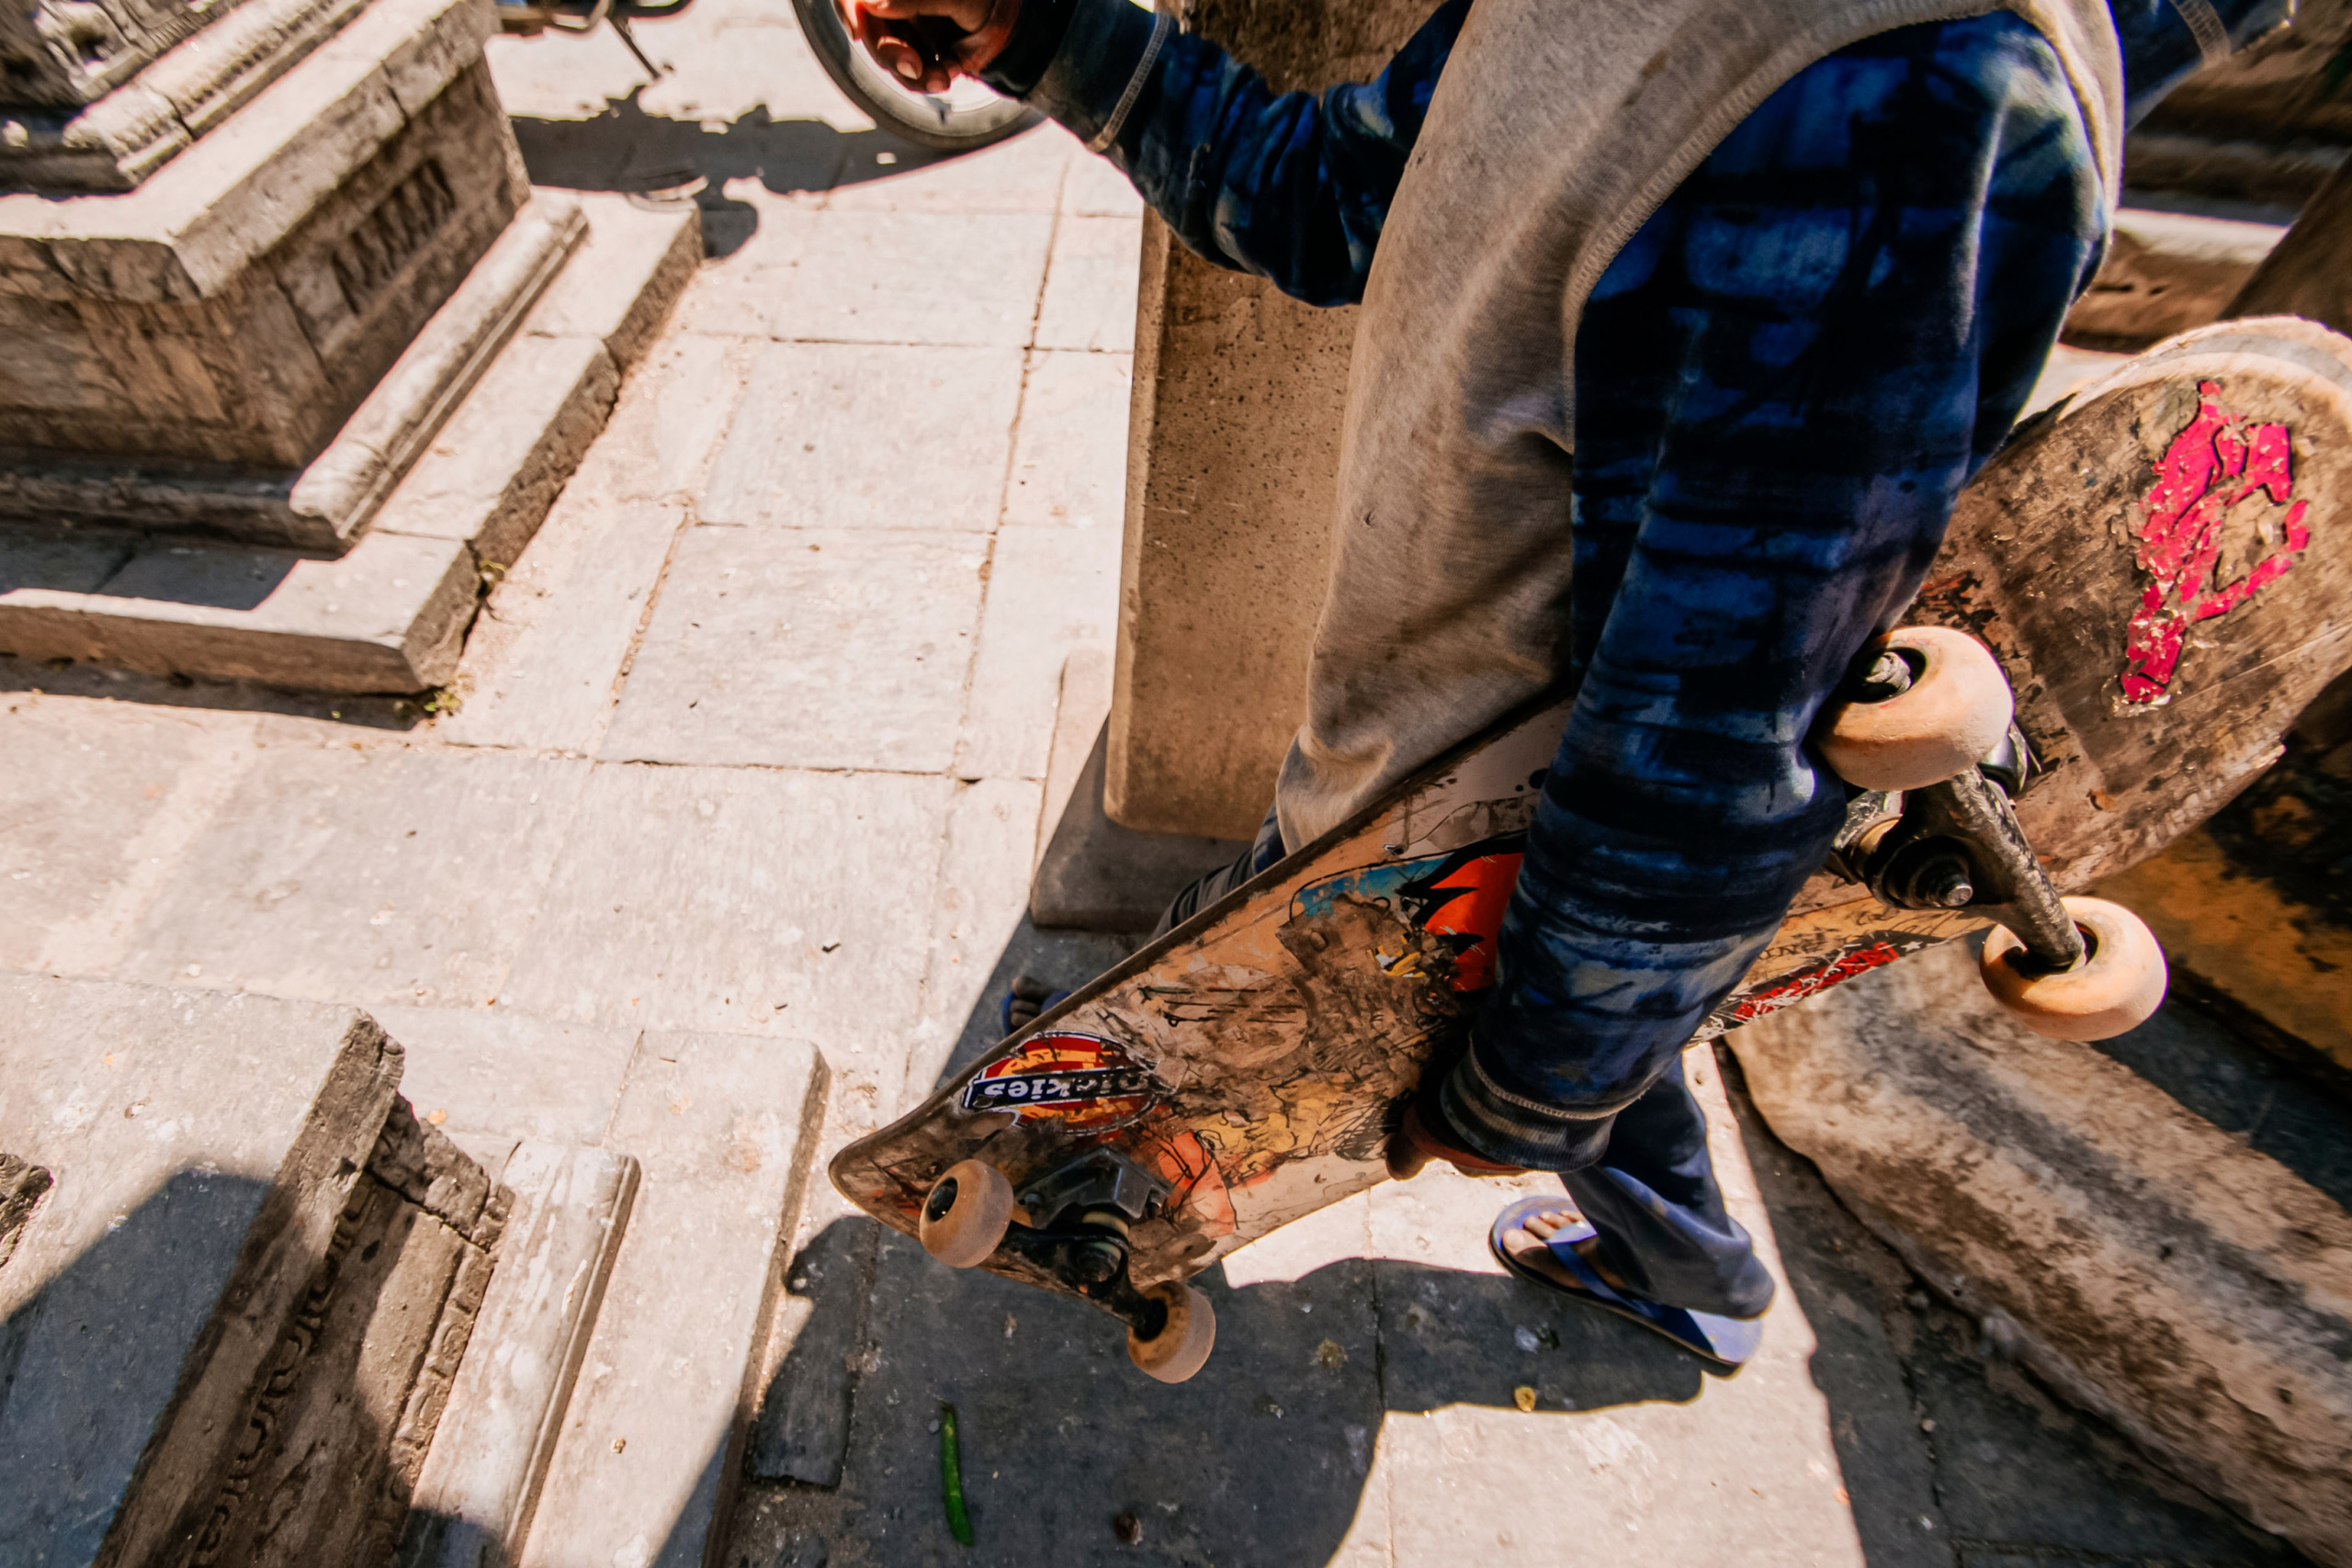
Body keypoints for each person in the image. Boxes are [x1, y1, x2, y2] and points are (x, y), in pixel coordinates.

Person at [854, 0, 2291, 1363]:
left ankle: (1646, 1214)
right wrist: (1042, 31)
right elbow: (1336, 196)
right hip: (1447, 765)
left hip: (1484, 822)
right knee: (1621, 1027)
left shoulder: (1909, 95)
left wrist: (1534, 1081)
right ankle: (1692, 1270)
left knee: (1551, 1006)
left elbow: (1721, 723)